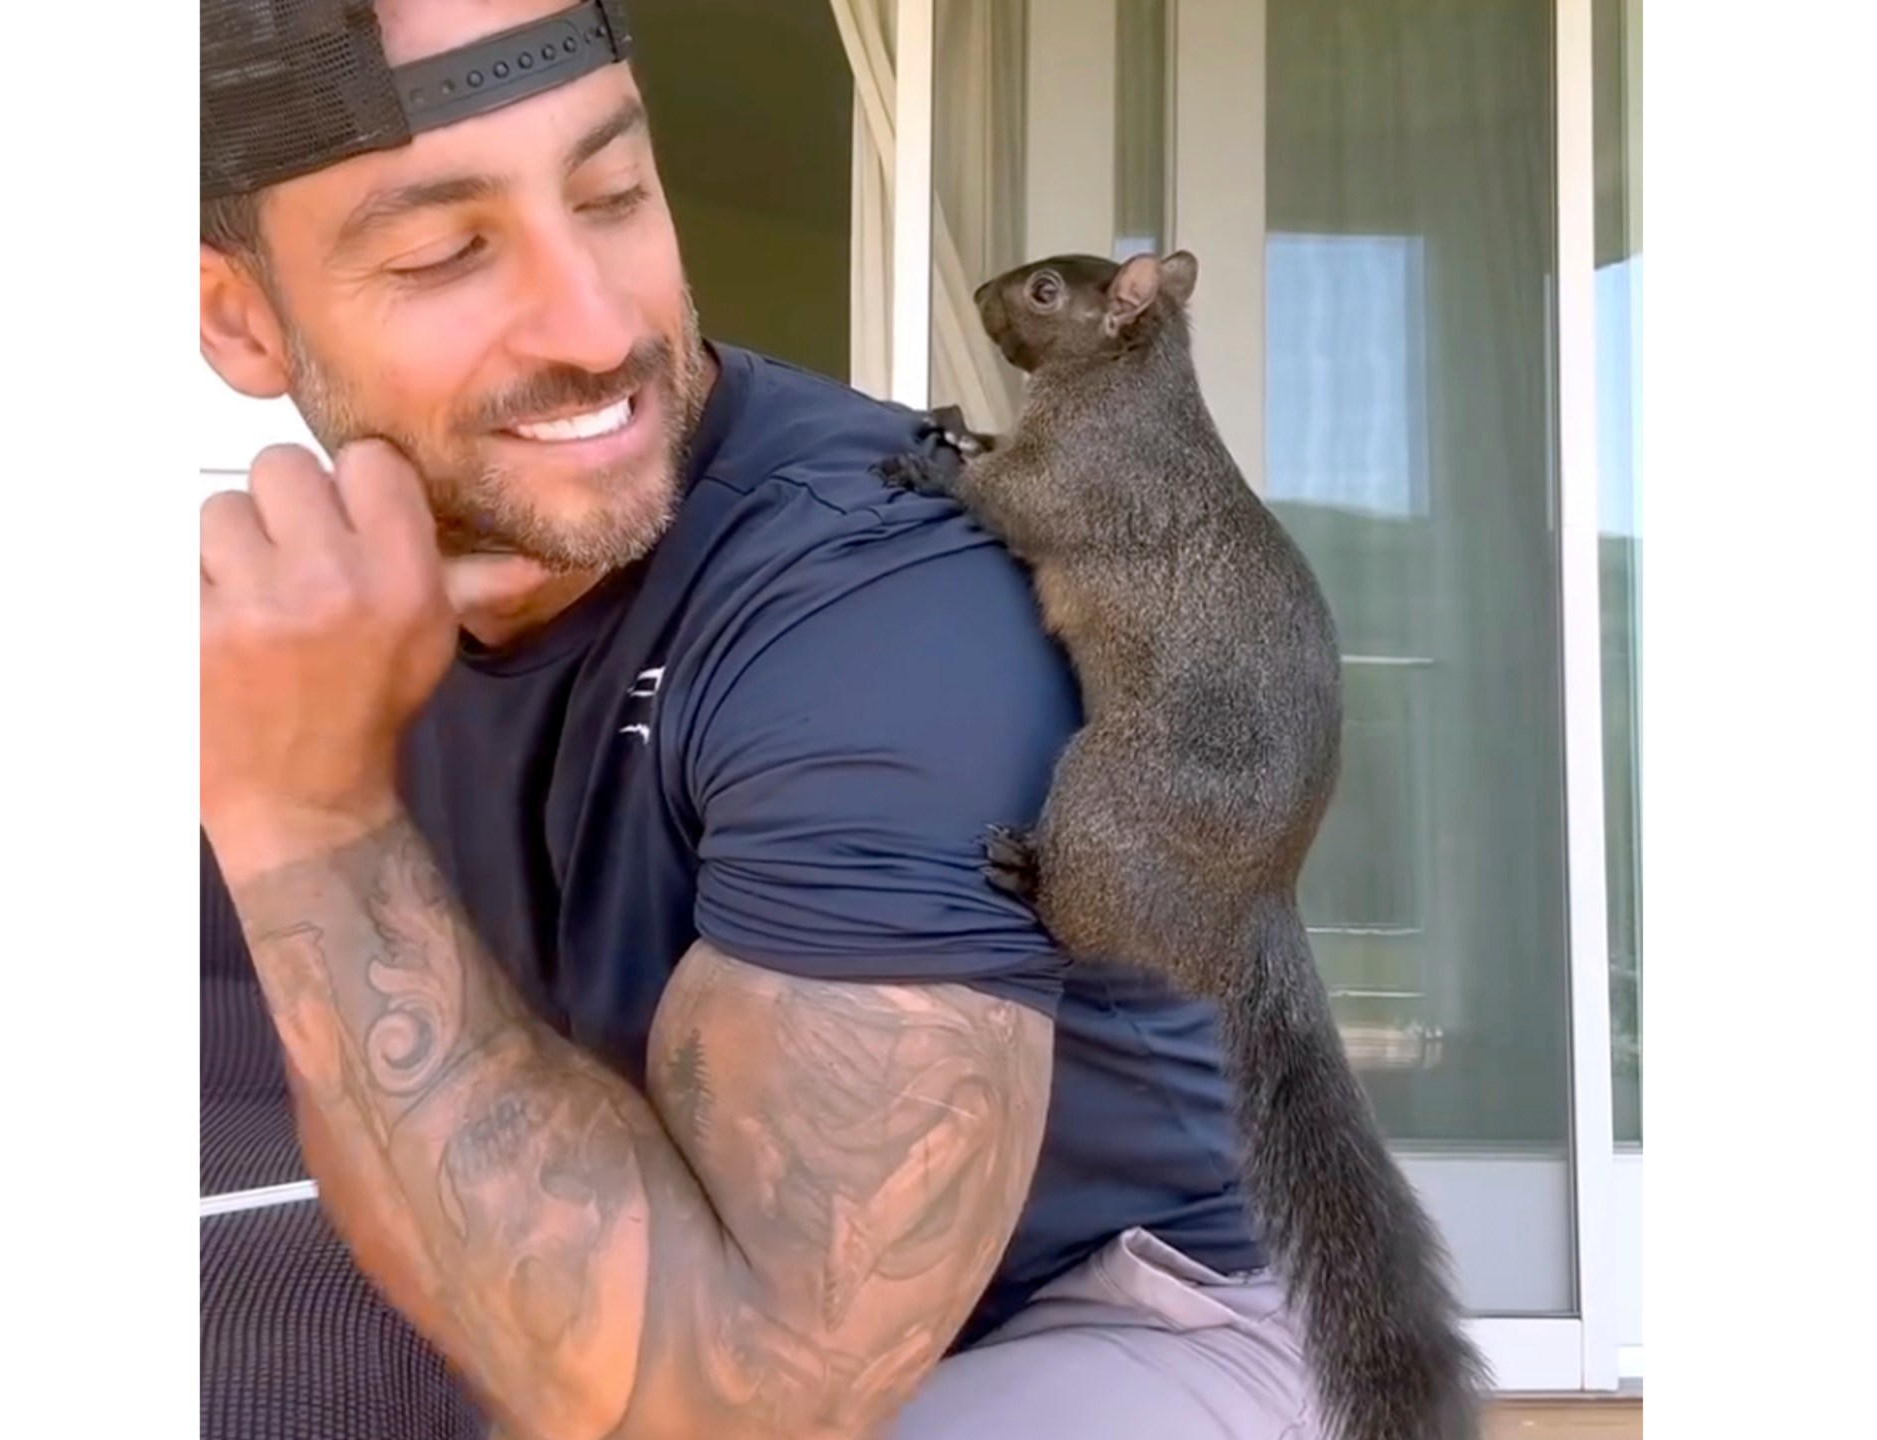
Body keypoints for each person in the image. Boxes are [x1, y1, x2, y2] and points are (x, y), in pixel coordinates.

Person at [196, 1, 1321, 1435]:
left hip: (1124, 1319)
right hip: (668, 1280)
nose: (597, 324)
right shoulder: (340, 602)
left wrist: (303, 811)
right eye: (444, 254)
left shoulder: (881, 604)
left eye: (614, 196)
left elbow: (736, 1400)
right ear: (238, 316)